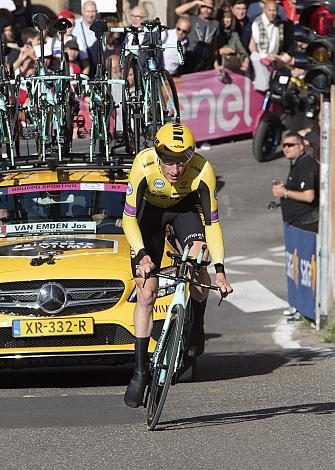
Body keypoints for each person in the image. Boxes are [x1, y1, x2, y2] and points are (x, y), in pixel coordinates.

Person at [122, 122, 233, 408]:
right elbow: (129, 219)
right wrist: (142, 253)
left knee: (198, 257)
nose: (175, 170)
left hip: (185, 210)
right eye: (168, 162)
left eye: (181, 161)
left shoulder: (202, 169)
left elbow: (213, 224)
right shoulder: (143, 164)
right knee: (146, 289)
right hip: (150, 215)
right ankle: (139, 371)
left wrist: (220, 270)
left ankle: (196, 321)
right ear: (157, 154)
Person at [271, 133, 319, 233]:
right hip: (296, 223)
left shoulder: (305, 166)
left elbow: (308, 197)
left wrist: (284, 192)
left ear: (301, 147)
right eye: (284, 146)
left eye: (290, 145)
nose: (286, 148)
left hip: (305, 225)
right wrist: (285, 188)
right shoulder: (298, 163)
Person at [249, 0, 291, 92]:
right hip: (262, 59)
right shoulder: (257, 23)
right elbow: (253, 46)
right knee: (264, 87)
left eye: (274, 11)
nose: (272, 13)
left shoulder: (280, 24)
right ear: (264, 10)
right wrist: (265, 57)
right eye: (269, 10)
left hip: (276, 59)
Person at [175, 0, 220, 73]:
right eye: (204, 6)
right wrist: (196, 2)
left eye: (209, 7)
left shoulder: (215, 23)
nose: (206, 10)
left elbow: (214, 45)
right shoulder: (192, 18)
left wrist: (216, 63)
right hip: (190, 58)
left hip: (205, 61)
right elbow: (178, 11)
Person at [215, 7, 250, 81]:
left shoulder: (234, 34)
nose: (225, 20)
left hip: (233, 68)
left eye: (228, 18)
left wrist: (246, 60)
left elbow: (243, 51)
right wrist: (220, 51)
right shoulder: (216, 33)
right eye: (223, 18)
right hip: (218, 68)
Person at [72, 0, 98, 75]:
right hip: (80, 64)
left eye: (93, 11)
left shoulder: (100, 26)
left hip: (96, 66)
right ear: (82, 11)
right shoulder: (74, 26)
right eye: (88, 11)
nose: (90, 14)